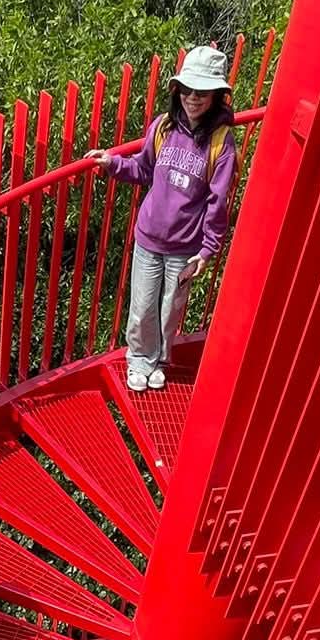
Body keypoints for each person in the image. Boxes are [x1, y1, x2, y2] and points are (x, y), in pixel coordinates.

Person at [94, 44, 238, 392]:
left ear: (216, 96)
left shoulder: (221, 143)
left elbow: (218, 203)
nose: (193, 98)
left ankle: (159, 360)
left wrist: (207, 251)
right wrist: (113, 164)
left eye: (202, 92)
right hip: (149, 237)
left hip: (185, 248)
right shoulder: (163, 127)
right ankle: (138, 359)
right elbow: (144, 169)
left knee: (170, 310)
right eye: (187, 89)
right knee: (142, 306)